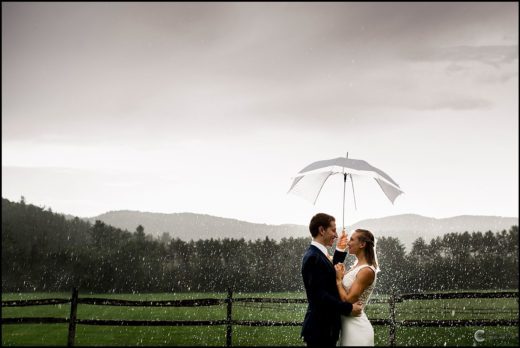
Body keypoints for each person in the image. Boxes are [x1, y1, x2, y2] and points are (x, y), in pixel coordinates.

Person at [301, 213, 363, 347]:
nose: (336, 235)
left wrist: (340, 249)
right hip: (320, 330)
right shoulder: (313, 257)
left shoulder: (318, 254)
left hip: (325, 329)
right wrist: (348, 308)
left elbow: (329, 274)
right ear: (322, 230)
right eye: (333, 230)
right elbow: (320, 295)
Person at [335, 229, 379, 346]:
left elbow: (349, 301)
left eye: (352, 239)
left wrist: (339, 280)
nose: (348, 243)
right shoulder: (356, 266)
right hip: (347, 326)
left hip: (357, 329)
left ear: (362, 244)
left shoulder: (366, 271)